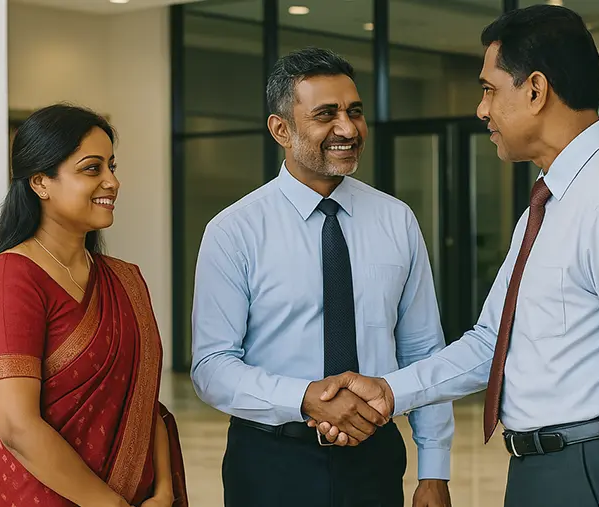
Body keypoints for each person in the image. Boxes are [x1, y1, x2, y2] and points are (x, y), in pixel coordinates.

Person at [314, 5, 599, 507]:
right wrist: (391, 390)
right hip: (543, 468)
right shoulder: (550, 200)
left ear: (535, 90)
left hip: (593, 470)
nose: (481, 109)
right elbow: (494, 342)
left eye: (489, 88)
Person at [190, 47, 454, 507]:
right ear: (281, 129)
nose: (348, 129)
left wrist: (434, 470)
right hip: (270, 462)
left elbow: (423, 351)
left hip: (376, 459)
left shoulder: (397, 220)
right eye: (325, 114)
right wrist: (305, 397)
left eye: (354, 112)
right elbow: (212, 368)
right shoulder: (234, 231)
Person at [0, 104, 188, 507]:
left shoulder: (125, 279)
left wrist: (162, 491)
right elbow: (16, 426)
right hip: (41, 496)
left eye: (112, 166)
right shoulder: (12, 278)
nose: (112, 181)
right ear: (41, 182)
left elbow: (145, 403)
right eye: (92, 169)